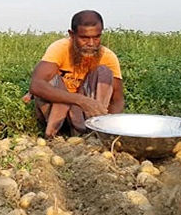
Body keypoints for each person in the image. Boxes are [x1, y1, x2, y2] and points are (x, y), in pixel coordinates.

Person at [26, 10, 124, 138]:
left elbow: (118, 100)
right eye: (84, 38)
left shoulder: (108, 57)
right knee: (50, 80)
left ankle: (94, 132)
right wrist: (81, 100)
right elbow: (36, 85)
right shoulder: (59, 48)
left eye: (96, 37)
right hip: (58, 110)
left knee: (104, 72)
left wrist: (109, 126)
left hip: (86, 115)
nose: (91, 44)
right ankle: (53, 135)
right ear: (72, 35)